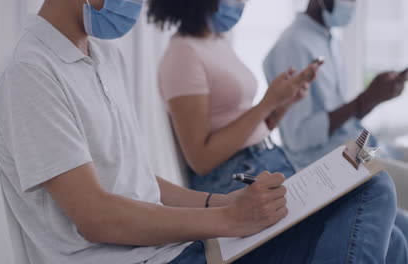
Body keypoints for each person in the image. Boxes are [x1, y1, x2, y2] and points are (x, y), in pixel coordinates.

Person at [0, 0, 320, 263]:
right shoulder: (29, 71)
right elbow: (95, 218)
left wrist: (218, 204)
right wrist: (230, 220)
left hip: (165, 250)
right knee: (344, 219)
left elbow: (137, 180)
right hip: (137, 257)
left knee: (337, 216)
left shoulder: (106, 57)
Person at [151, 0, 408, 262]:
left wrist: (283, 105)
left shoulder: (216, 42)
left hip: (267, 160)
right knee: (377, 192)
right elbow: (200, 158)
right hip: (236, 177)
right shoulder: (182, 55)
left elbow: (249, 128)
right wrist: (268, 102)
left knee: (394, 236)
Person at [263, 0, 408, 243]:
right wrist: (365, 98)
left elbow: (340, 117)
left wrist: (374, 99)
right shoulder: (294, 45)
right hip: (333, 163)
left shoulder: (328, 39)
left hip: (360, 146)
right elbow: (299, 137)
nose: (353, 5)